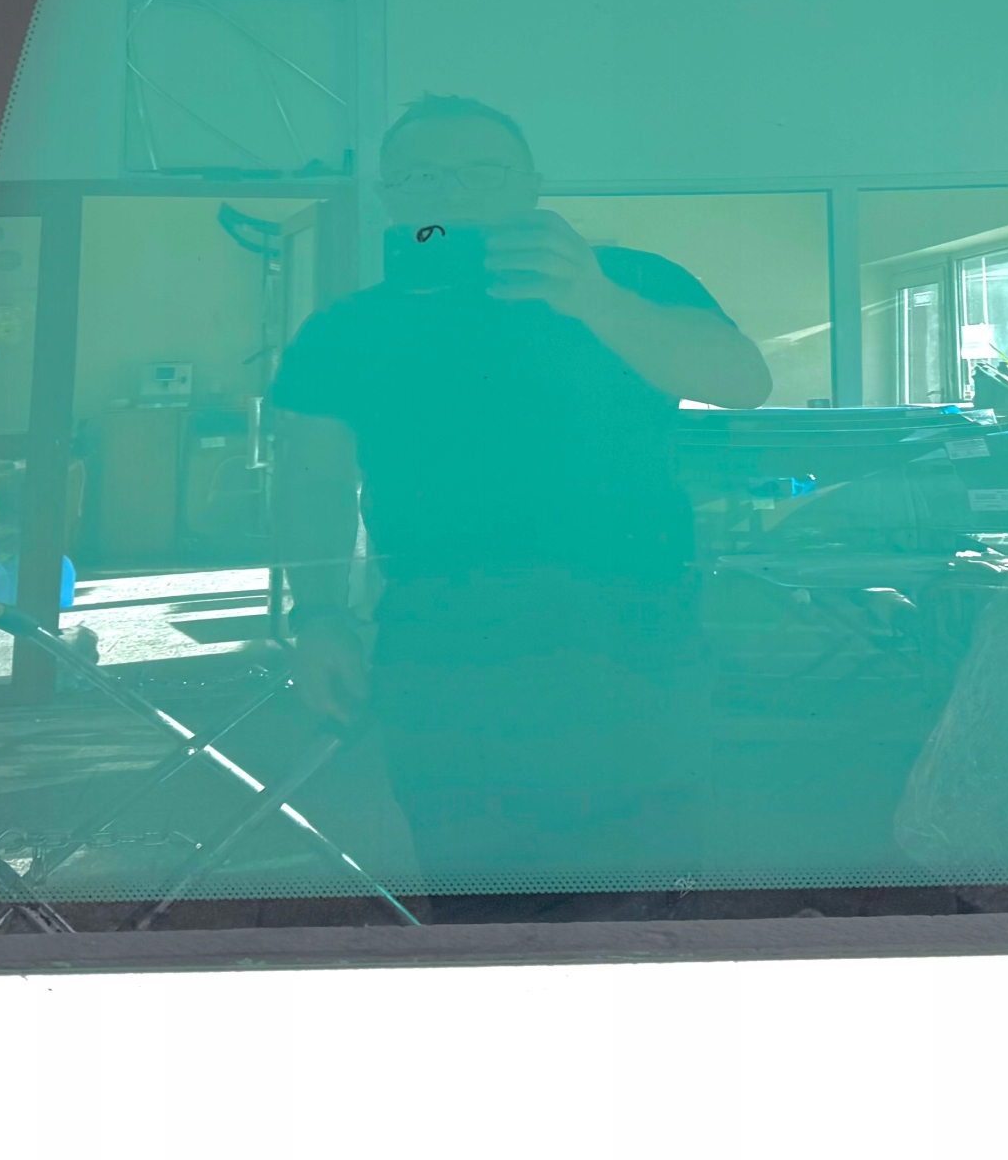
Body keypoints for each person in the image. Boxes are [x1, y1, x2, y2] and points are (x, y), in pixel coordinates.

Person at [268, 95, 768, 906]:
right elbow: (313, 477)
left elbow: (744, 380)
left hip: (632, 633)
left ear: (534, 184)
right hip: (440, 646)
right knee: (478, 896)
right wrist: (318, 613)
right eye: (423, 176)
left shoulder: (631, 279)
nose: (451, 193)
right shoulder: (348, 328)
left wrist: (591, 295)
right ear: (389, 196)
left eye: (481, 171)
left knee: (642, 895)